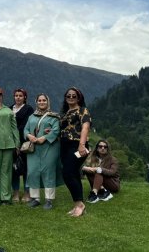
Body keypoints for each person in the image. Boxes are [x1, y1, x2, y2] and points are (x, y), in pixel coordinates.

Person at [24, 94, 61, 210]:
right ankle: (35, 199)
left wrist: (44, 138)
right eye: (39, 100)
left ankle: (49, 200)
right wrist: (29, 135)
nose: (41, 102)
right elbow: (25, 129)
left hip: (49, 147)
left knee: (48, 171)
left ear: (48, 102)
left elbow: (56, 130)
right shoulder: (31, 117)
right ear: (36, 102)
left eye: (44, 100)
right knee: (33, 171)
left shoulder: (54, 117)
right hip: (33, 149)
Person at [60, 87, 91, 217]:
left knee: (67, 173)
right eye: (69, 96)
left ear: (79, 98)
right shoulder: (66, 112)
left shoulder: (83, 110)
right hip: (64, 146)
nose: (71, 98)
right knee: (73, 174)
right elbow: (64, 128)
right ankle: (78, 205)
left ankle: (80, 204)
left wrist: (82, 145)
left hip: (77, 145)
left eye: (74, 96)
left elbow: (85, 127)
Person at [11, 88, 34, 203]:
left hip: (24, 142)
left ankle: (26, 192)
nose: (18, 97)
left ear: (25, 97)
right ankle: (15, 192)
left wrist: (19, 142)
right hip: (11, 142)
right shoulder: (10, 108)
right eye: (16, 95)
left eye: (20, 95)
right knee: (14, 168)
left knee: (26, 169)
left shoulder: (28, 109)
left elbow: (28, 125)